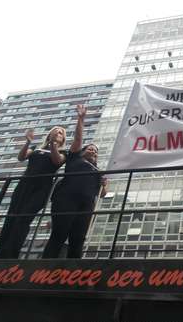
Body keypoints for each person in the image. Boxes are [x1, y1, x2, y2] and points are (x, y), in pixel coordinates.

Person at [43, 105, 107, 258]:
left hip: (86, 205)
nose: (93, 151)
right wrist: (81, 119)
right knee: (59, 233)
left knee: (78, 238)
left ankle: (73, 272)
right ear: (82, 151)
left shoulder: (98, 170)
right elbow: (78, 139)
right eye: (90, 149)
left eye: (96, 151)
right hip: (66, 200)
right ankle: (44, 269)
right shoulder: (75, 158)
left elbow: (103, 194)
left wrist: (105, 184)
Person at [0, 127, 67, 258]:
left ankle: (11, 253)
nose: (58, 133)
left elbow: (57, 161)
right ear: (49, 133)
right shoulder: (36, 148)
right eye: (56, 130)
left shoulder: (63, 152)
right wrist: (28, 142)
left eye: (61, 132)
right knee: (11, 216)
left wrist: (52, 145)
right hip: (24, 185)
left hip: (42, 188)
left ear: (63, 139)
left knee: (24, 218)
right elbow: (21, 157)